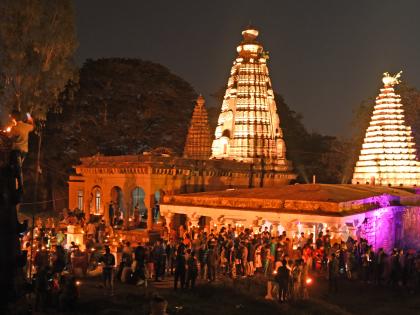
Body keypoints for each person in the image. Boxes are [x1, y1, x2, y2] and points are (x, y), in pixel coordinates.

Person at [7, 109, 34, 199]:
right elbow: (32, 125)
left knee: (16, 169)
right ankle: (18, 186)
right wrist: (29, 115)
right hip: (24, 152)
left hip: (16, 151)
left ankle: (20, 187)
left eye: (11, 118)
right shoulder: (26, 126)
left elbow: (9, 136)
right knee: (17, 168)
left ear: (14, 118)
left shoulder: (15, 128)